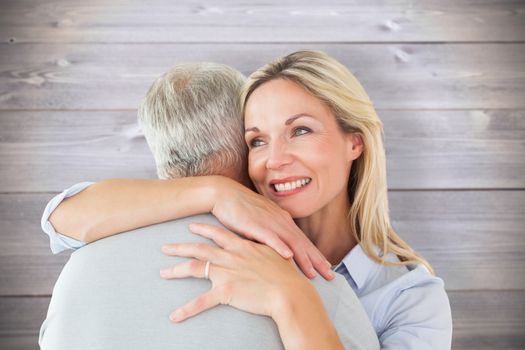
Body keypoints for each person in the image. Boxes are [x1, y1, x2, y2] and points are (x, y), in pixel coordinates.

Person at [45, 51, 453, 349]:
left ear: (354, 141)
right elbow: (62, 219)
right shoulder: (217, 227)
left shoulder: (410, 298)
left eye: (301, 131)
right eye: (257, 140)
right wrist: (216, 190)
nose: (275, 159)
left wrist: (290, 296)